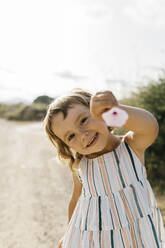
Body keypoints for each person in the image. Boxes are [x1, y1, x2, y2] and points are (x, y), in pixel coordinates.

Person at [44, 88, 165, 248]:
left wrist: (116, 112)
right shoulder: (81, 167)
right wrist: (68, 233)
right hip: (99, 240)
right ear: (66, 146)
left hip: (137, 236)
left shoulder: (130, 147)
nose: (82, 134)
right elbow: (76, 199)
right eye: (71, 136)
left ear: (101, 113)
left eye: (83, 120)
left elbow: (150, 127)